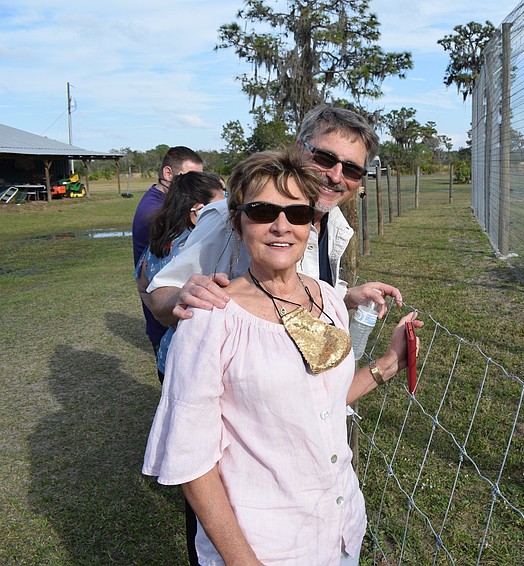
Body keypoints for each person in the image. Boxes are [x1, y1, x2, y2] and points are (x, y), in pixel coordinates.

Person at [143, 148, 421, 564]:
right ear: (236, 222)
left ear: (312, 223)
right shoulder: (211, 320)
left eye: (297, 213)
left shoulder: (327, 298)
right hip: (267, 546)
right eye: (261, 211)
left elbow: (322, 400)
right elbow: (192, 465)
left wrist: (388, 364)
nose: (281, 226)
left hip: (340, 530)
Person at [145, 105, 401, 330]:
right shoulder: (233, 217)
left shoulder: (334, 224)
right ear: (299, 149)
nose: (335, 176)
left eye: (352, 169)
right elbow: (161, 294)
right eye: (325, 158)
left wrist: (343, 298)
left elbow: (302, 295)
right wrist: (180, 297)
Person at [134, 171, 227, 382]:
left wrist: (164, 316)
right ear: (198, 212)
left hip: (169, 355)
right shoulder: (198, 248)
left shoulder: (159, 241)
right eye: (220, 208)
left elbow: (142, 284)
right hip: (194, 363)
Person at [131, 146, 204, 355]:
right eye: (189, 178)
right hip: (165, 320)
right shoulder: (156, 213)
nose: (195, 186)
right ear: (168, 174)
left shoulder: (166, 204)